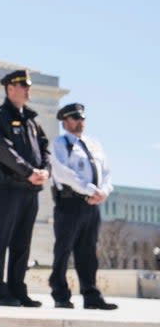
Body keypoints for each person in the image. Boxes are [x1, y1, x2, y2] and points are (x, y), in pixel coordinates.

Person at [0, 69, 50, 306]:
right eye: (23, 86)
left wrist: (45, 170)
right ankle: (0, 293)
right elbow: (2, 150)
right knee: (4, 239)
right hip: (8, 188)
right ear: (10, 89)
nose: (28, 90)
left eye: (28, 86)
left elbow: (44, 148)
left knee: (22, 242)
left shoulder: (32, 120)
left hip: (30, 190)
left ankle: (17, 289)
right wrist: (29, 172)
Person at [49, 102, 117, 310]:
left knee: (88, 251)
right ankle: (60, 294)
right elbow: (62, 172)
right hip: (69, 202)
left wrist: (103, 191)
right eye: (75, 118)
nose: (80, 122)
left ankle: (91, 294)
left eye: (82, 118)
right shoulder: (59, 144)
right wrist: (90, 189)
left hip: (91, 205)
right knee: (64, 249)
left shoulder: (94, 144)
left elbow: (106, 172)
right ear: (65, 122)